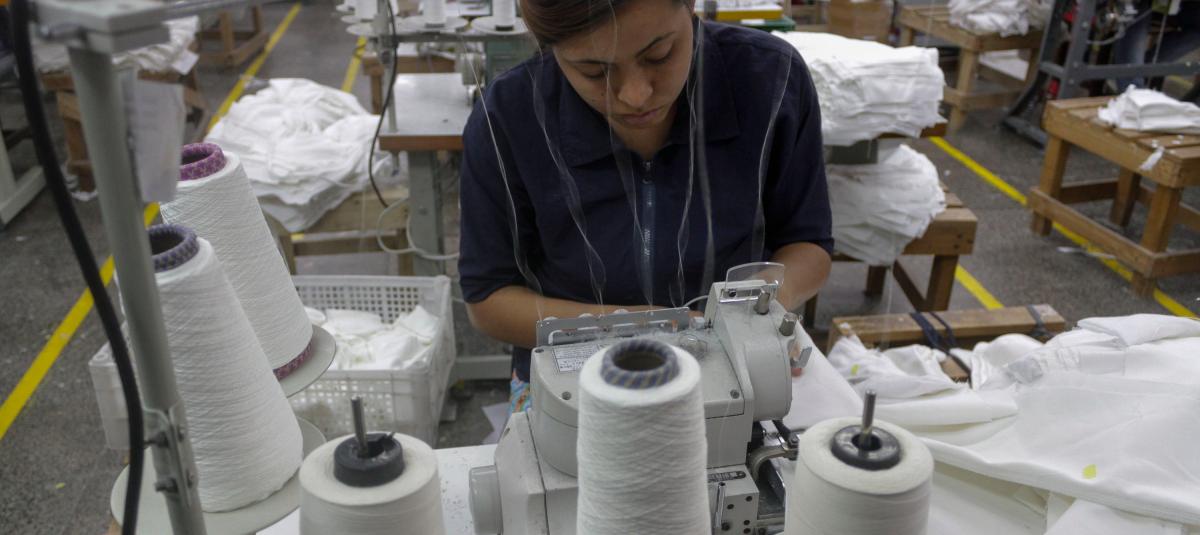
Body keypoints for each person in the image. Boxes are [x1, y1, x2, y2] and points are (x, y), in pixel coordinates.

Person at [458, 0, 832, 411]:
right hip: (570, 373)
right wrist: (653, 327)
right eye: (594, 72)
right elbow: (489, 300)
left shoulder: (770, 81)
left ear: (691, 7)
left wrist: (756, 307)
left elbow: (808, 243)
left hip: (732, 362)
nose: (635, 96)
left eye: (660, 55)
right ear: (551, 49)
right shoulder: (507, 117)